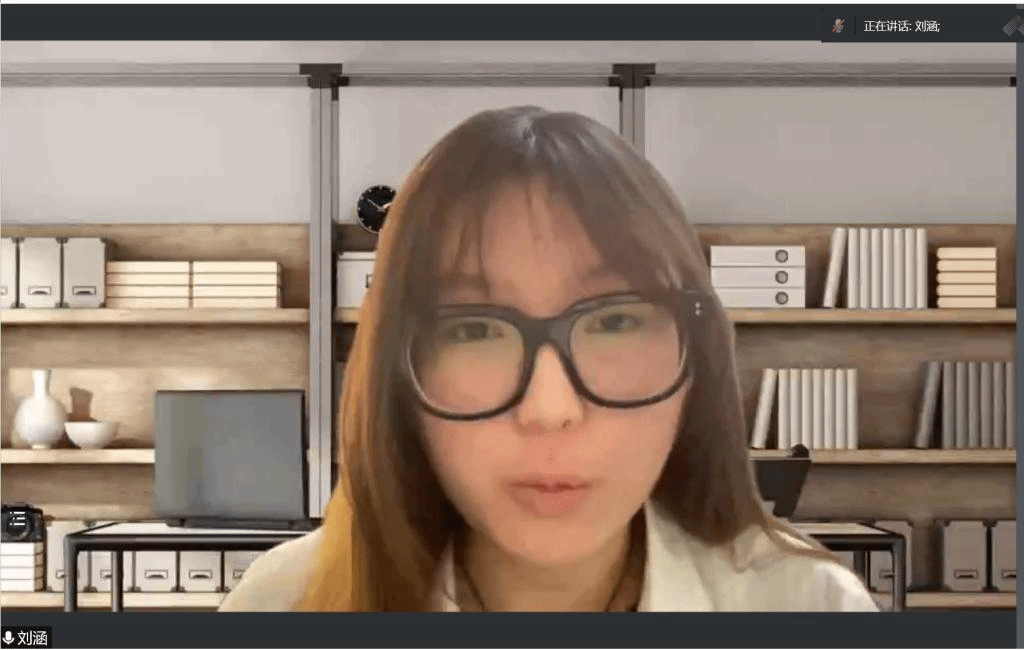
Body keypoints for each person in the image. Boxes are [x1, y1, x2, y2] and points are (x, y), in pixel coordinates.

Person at [219, 105, 878, 612]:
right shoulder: (285, 603)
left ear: (697, 366)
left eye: (615, 321)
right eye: (475, 329)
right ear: (399, 377)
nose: (551, 409)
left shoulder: (806, 605)